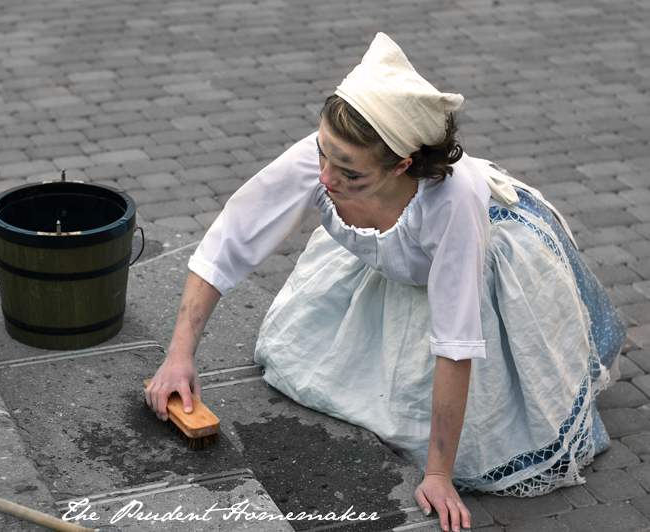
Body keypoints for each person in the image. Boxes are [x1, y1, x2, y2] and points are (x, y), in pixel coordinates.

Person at [145, 33, 626, 532]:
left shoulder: (451, 202)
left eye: (348, 171)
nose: (325, 177)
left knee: (491, 439)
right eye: (323, 153)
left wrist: (438, 475)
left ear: (401, 165)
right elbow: (230, 240)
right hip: (390, 259)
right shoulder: (323, 160)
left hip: (486, 260)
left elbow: (456, 340)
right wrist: (180, 356)